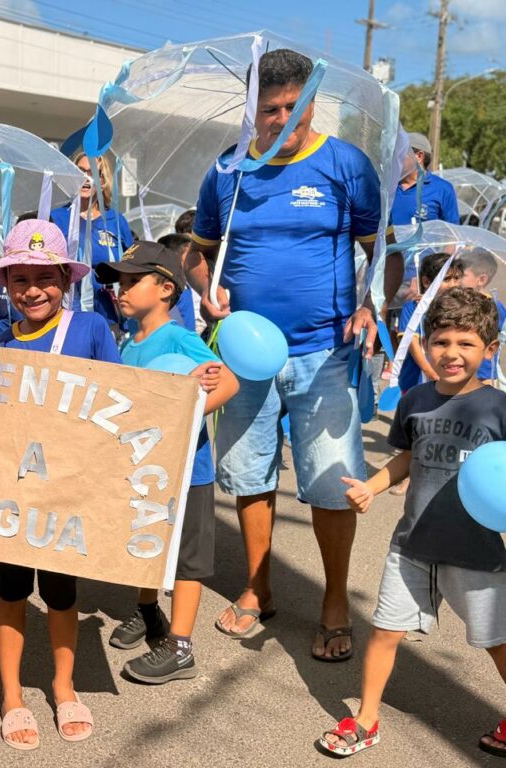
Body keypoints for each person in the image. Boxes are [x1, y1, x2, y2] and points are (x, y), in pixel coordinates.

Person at [184, 48, 404, 660]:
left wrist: (373, 304)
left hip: (325, 352)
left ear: (312, 101)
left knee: (333, 483)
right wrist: (206, 292)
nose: (283, 119)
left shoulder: (346, 165)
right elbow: (196, 254)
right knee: (248, 476)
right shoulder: (227, 171)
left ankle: (335, 602)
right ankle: (258, 587)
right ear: (251, 111)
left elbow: (382, 251)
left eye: (294, 106)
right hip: (244, 354)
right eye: (270, 110)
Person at [0, 218, 119, 749]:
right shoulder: (0, 339)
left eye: (44, 278)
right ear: (5, 285)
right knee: (11, 590)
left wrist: (188, 387)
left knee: (61, 594)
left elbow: (127, 399)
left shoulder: (91, 329)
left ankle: (64, 686)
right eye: (20, 279)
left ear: (65, 280)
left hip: (67, 494)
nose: (33, 290)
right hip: (11, 495)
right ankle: (12, 695)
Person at [317, 287, 506, 759]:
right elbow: (406, 457)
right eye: (441, 341)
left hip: (477, 553)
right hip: (411, 546)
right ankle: (366, 719)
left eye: (466, 343)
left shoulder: (500, 408)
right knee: (384, 632)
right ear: (425, 343)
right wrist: (371, 486)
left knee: (498, 642)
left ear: (490, 349)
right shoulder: (416, 399)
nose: (452, 353)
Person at [95, 242, 238, 684]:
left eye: (132, 280)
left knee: (188, 560)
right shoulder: (127, 341)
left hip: (189, 470)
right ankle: (147, 611)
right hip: (147, 469)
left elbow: (228, 383)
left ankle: (180, 647)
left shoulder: (178, 337)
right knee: (147, 542)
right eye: (119, 281)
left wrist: (180, 421)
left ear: (165, 288)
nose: (121, 289)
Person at [390, 252, 462, 497]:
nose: (453, 284)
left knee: (449, 426)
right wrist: (432, 373)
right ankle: (409, 476)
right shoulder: (413, 307)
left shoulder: (460, 308)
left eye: (456, 278)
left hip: (450, 379)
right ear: (426, 281)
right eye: (446, 279)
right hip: (417, 380)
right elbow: (413, 343)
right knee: (418, 428)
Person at [50, 152, 134, 329]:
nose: (86, 179)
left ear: (103, 181)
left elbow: (132, 268)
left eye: (93, 173)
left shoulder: (117, 221)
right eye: (81, 172)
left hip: (109, 318)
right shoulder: (56, 218)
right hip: (67, 317)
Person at [391, 133, 460, 304]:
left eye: (399, 153)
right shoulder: (387, 187)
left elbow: (452, 238)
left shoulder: (442, 189)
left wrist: (433, 278)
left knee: (413, 320)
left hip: (421, 280)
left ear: (419, 156)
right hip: (385, 274)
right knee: (380, 319)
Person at [456, 248, 506, 385]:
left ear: (481, 280)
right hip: (458, 369)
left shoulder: (495, 306)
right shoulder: (456, 302)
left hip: (484, 374)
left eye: (462, 276)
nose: (456, 280)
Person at [156, 233, 196, 332]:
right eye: (189, 255)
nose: (193, 259)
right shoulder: (170, 291)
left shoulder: (185, 284)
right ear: (175, 259)